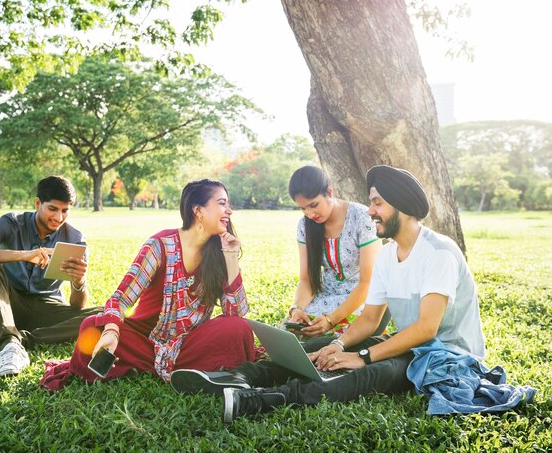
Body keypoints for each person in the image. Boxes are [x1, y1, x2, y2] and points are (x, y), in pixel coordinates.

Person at [171, 165, 487, 422]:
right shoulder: (389, 257)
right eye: (371, 202)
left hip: (444, 355)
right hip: (411, 345)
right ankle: (238, 377)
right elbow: (369, 319)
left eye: (378, 203)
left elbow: (426, 329)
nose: (371, 211)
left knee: (370, 373)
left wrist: (361, 356)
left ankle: (258, 401)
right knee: (317, 349)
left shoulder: (439, 252)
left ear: (402, 206)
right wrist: (336, 344)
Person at [39, 179, 258, 391]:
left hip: (190, 343)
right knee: (91, 327)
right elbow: (121, 298)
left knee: (239, 328)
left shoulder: (219, 251)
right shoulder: (160, 245)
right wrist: (112, 331)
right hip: (145, 340)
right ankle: (186, 370)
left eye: (228, 205)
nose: (229, 211)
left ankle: (151, 368)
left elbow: (236, 313)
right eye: (222, 203)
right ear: (198, 210)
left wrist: (230, 256)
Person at [0, 175, 102, 377]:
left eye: (65, 211)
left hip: (48, 311)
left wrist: (79, 282)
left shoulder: (75, 240)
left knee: (106, 314)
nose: (58, 218)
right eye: (52, 209)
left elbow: (77, 308)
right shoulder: (12, 223)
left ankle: (20, 340)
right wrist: (25, 255)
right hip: (9, 305)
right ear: (37, 203)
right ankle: (9, 345)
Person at [285, 165, 386, 340]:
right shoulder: (305, 226)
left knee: (327, 344)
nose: (309, 214)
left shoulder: (362, 218)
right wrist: (297, 309)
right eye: (303, 208)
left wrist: (331, 320)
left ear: (329, 191)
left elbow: (367, 283)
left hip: (360, 299)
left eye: (313, 205)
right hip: (325, 296)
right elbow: (306, 279)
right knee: (290, 337)